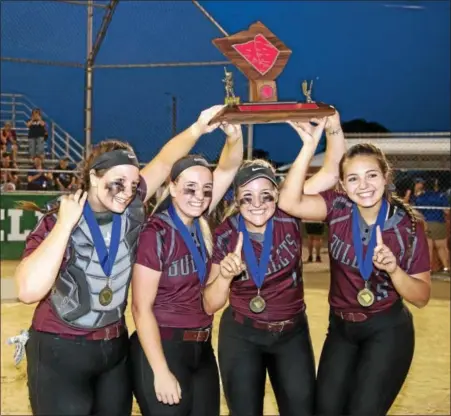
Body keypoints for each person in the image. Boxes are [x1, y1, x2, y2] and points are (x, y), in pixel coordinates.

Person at [13, 105, 225, 416]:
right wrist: (63, 226)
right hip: (61, 347)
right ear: (93, 177)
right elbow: (28, 290)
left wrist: (198, 127)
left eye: (132, 182)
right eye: (117, 182)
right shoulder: (58, 217)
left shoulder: (132, 204)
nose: (127, 192)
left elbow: (165, 161)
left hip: (113, 349)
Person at [202, 113, 346, 416]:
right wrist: (225, 277)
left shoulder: (288, 212)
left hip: (291, 333)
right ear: (237, 199)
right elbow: (210, 304)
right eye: (247, 198)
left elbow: (333, 174)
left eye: (265, 196)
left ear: (276, 195)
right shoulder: (227, 233)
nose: (257, 205)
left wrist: (328, 132)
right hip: (242, 334)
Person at [279, 133, 431, 416]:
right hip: (341, 329)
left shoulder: (408, 226)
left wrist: (395, 270)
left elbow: (421, 297)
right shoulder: (337, 208)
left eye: (371, 175)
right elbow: (288, 202)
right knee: (325, 409)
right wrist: (310, 146)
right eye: (353, 179)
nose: (363, 186)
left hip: (386, 329)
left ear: (386, 176)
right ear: (343, 185)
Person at [130, 122, 243, 416]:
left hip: (202, 349)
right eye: (190, 188)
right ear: (173, 188)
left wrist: (234, 136)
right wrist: (161, 371)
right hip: (163, 347)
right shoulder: (156, 232)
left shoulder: (200, 225)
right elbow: (141, 308)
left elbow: (229, 168)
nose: (199, 196)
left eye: (206, 191)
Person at [406, 178, 449, 273]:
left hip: (425, 223)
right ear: (435, 185)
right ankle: (446, 268)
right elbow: (446, 211)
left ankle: (428, 269)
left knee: (427, 247)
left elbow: (414, 209)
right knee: (442, 247)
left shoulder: (419, 196)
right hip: (438, 222)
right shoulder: (441, 195)